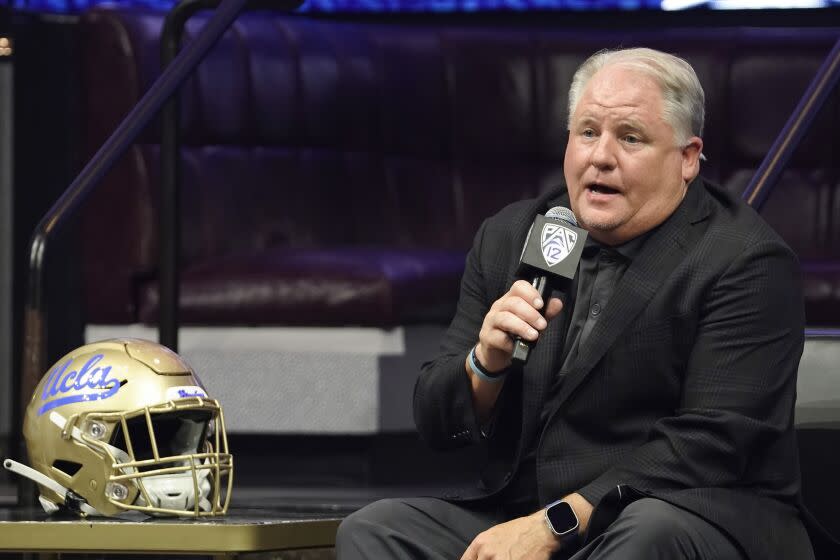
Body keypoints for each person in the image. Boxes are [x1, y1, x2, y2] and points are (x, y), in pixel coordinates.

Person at [335, 47, 814, 560]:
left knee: (644, 534)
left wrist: (554, 523)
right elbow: (435, 422)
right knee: (376, 529)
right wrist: (486, 366)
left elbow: (710, 445)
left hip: (689, 515)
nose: (600, 156)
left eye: (630, 138)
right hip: (527, 511)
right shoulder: (511, 236)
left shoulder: (744, 260)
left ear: (687, 158)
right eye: (587, 133)